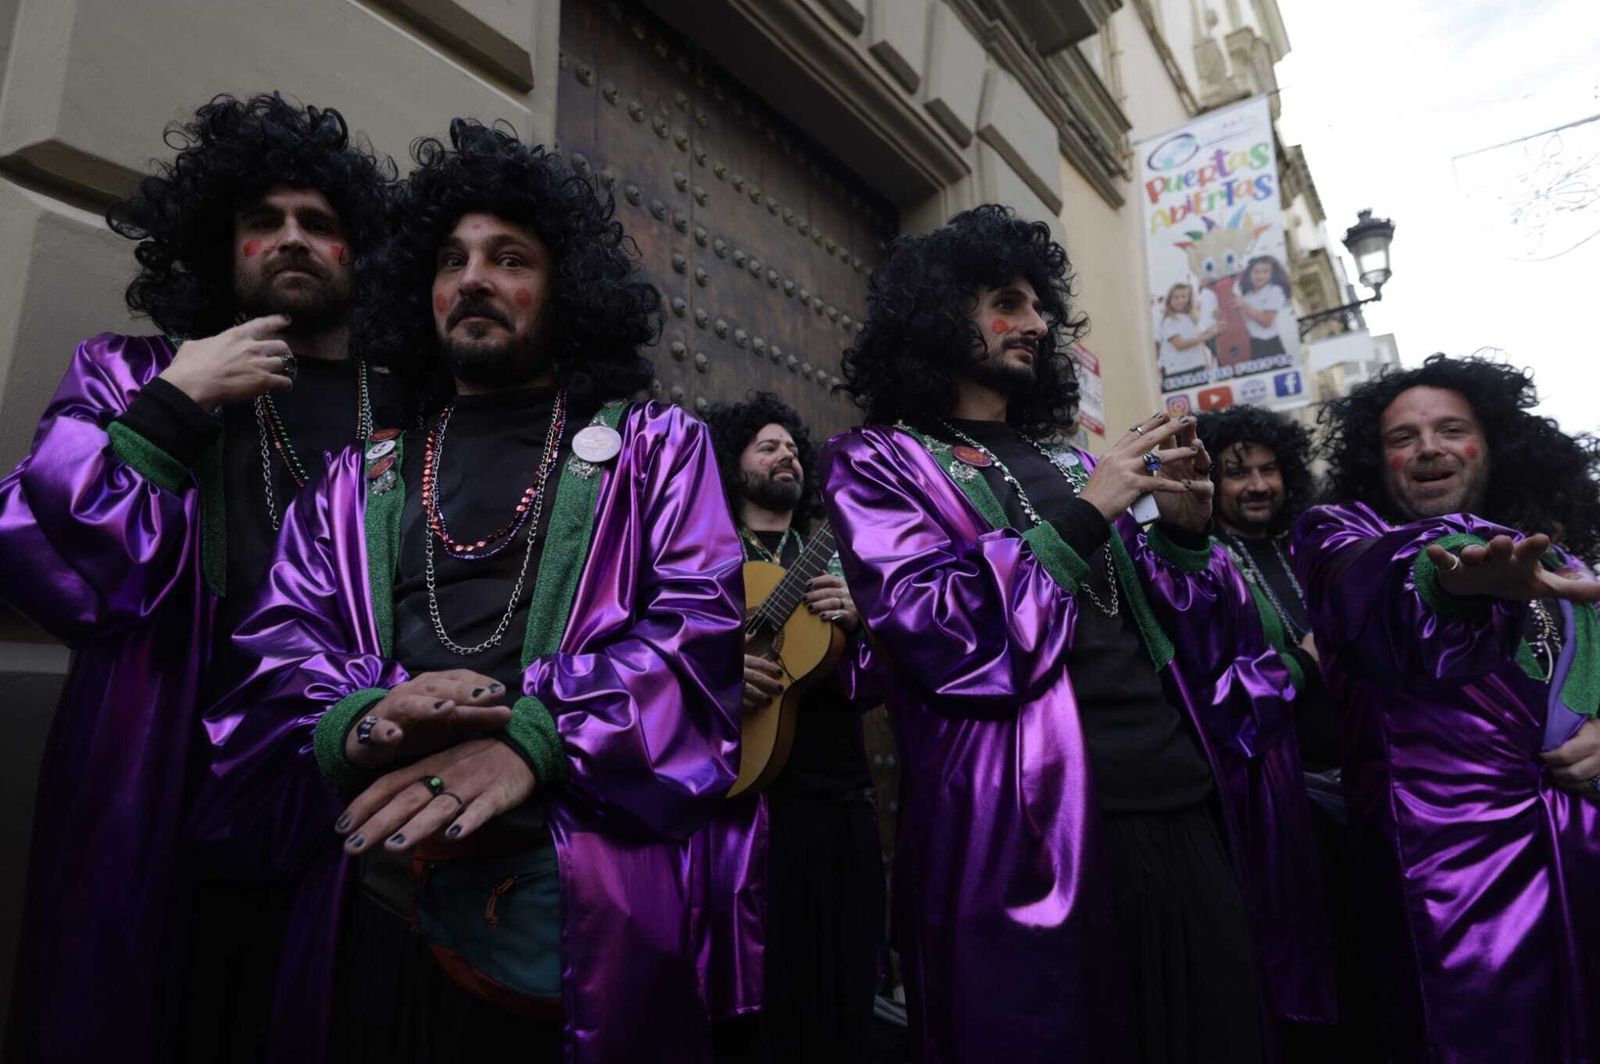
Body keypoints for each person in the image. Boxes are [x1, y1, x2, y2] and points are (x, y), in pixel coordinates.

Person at [188, 118, 745, 1064]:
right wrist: (362, 720)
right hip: (375, 903)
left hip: (565, 912)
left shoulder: (654, 449)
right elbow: (279, 647)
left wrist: (539, 739)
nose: (473, 278)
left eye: (509, 257)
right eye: (450, 260)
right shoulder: (363, 474)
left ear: (564, 288)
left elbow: (698, 634)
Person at [821, 204, 1331, 1064]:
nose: (1037, 324)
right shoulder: (880, 460)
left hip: (1175, 802)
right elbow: (937, 633)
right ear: (940, 312)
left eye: (1039, 307)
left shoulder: (1063, 459)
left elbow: (1186, 642)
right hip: (1035, 828)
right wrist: (1092, 510)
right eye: (1008, 303)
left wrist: (1182, 533)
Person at [0, 93, 397, 1063]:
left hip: (341, 779)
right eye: (263, 221)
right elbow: (52, 558)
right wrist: (173, 406)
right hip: (156, 763)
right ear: (222, 246)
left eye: (319, 223)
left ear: (362, 254)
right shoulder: (130, 371)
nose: (291, 239)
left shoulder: (408, 411)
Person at [1294, 354, 1600, 1063]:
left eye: (1451, 429)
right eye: (1403, 438)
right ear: (1379, 463)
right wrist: (1455, 582)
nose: (1427, 447)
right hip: (1454, 912)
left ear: (1491, 445)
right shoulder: (1338, 539)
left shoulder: (1565, 563)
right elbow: (1399, 593)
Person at [1198, 406, 1387, 1063]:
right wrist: (1306, 661)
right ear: (1208, 481)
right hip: (1281, 806)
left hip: (1366, 785)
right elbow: (1211, 694)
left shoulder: (1310, 545)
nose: (1257, 484)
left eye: (1268, 468)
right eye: (1235, 472)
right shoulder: (1203, 566)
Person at [702, 392, 883, 1064]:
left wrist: (864, 620)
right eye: (767, 446)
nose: (787, 456)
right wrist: (721, 673)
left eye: (793, 447)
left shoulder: (838, 557)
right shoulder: (709, 557)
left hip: (838, 799)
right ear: (735, 463)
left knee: (846, 980)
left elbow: (876, 685)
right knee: (763, 1001)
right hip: (745, 812)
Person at [1155, 282, 1216, 384]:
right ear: (1169, 301)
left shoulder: (1192, 318)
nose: (1180, 300)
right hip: (1178, 371)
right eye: (1176, 298)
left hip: (1197, 366)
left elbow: (1199, 342)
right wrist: (1204, 337)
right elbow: (1179, 344)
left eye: (1183, 297)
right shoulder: (1169, 321)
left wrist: (1205, 362)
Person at [1236, 255, 1291, 363]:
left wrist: (1245, 306)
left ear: (1272, 274)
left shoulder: (1274, 290)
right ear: (1249, 273)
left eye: (1265, 272)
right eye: (1256, 272)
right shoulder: (1247, 295)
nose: (1260, 276)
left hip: (1270, 345)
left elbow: (1267, 321)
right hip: (1251, 345)